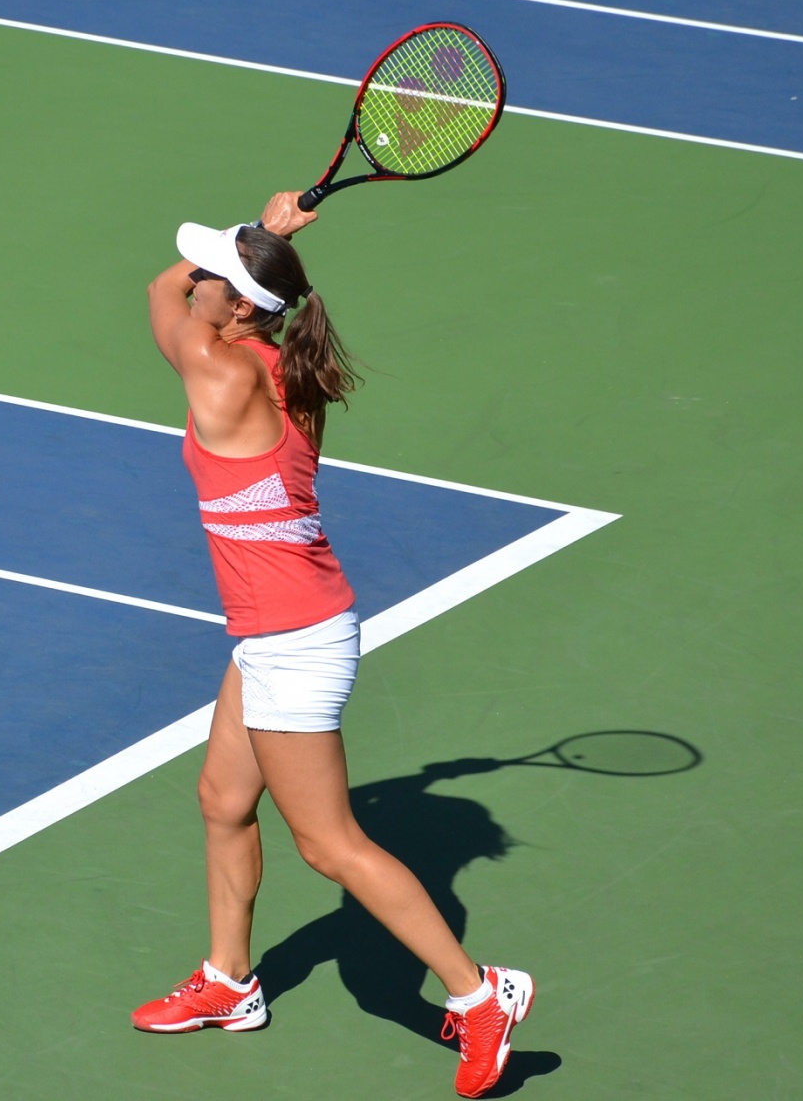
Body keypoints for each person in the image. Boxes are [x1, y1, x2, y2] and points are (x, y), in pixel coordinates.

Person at [132, 191, 533, 1098]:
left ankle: (480, 994)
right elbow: (200, 287)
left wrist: (260, 236)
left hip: (293, 640)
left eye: (215, 277)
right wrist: (257, 250)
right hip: (285, 626)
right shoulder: (282, 365)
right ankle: (230, 983)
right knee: (224, 798)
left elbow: (158, 289)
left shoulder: (215, 367)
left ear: (236, 309)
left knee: (331, 844)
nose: (194, 278)